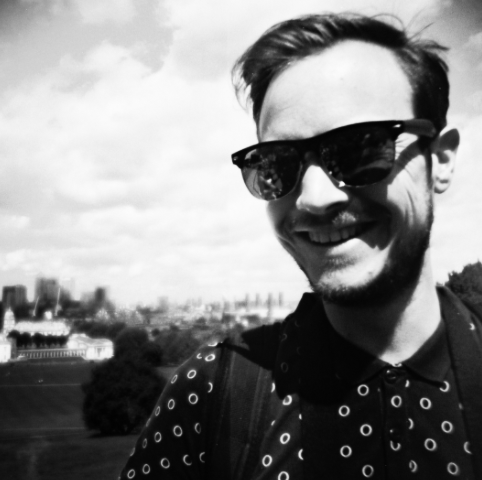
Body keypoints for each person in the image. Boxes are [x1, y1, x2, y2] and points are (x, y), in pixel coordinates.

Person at [120, 13, 482, 480]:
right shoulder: (209, 393)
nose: (314, 198)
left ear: (441, 160)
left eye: (361, 148)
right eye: (276, 164)